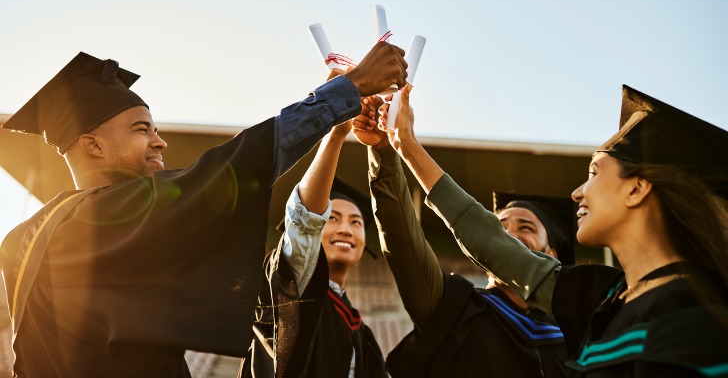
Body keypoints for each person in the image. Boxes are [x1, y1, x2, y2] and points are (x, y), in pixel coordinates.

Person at [0, 45, 406, 377]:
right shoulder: (103, 215)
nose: (160, 143)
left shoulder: (22, 238)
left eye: (156, 130)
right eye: (142, 130)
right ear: (93, 145)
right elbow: (235, 165)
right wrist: (345, 91)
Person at [375, 84, 728, 377]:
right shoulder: (602, 298)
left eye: (593, 172)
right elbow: (491, 242)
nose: (577, 192)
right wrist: (403, 143)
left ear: (636, 189)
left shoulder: (700, 314)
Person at [352, 96, 570, 377]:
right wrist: (384, 151)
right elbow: (402, 241)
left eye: (526, 227)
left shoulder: (574, 332)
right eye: (499, 226)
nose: (509, 235)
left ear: (551, 254)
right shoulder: (455, 308)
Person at [240, 87, 387, 377]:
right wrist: (335, 134)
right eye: (332, 218)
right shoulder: (288, 291)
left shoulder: (362, 333)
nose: (346, 229)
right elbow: (304, 225)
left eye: (356, 222)